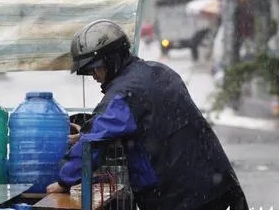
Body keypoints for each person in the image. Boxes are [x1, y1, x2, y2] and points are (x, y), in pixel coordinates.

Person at [46, 19, 248, 210]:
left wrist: (65, 180)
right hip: (214, 182)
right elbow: (153, 124)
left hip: (179, 196)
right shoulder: (159, 71)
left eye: (95, 68)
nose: (93, 76)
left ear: (112, 60)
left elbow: (94, 141)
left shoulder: (124, 93)